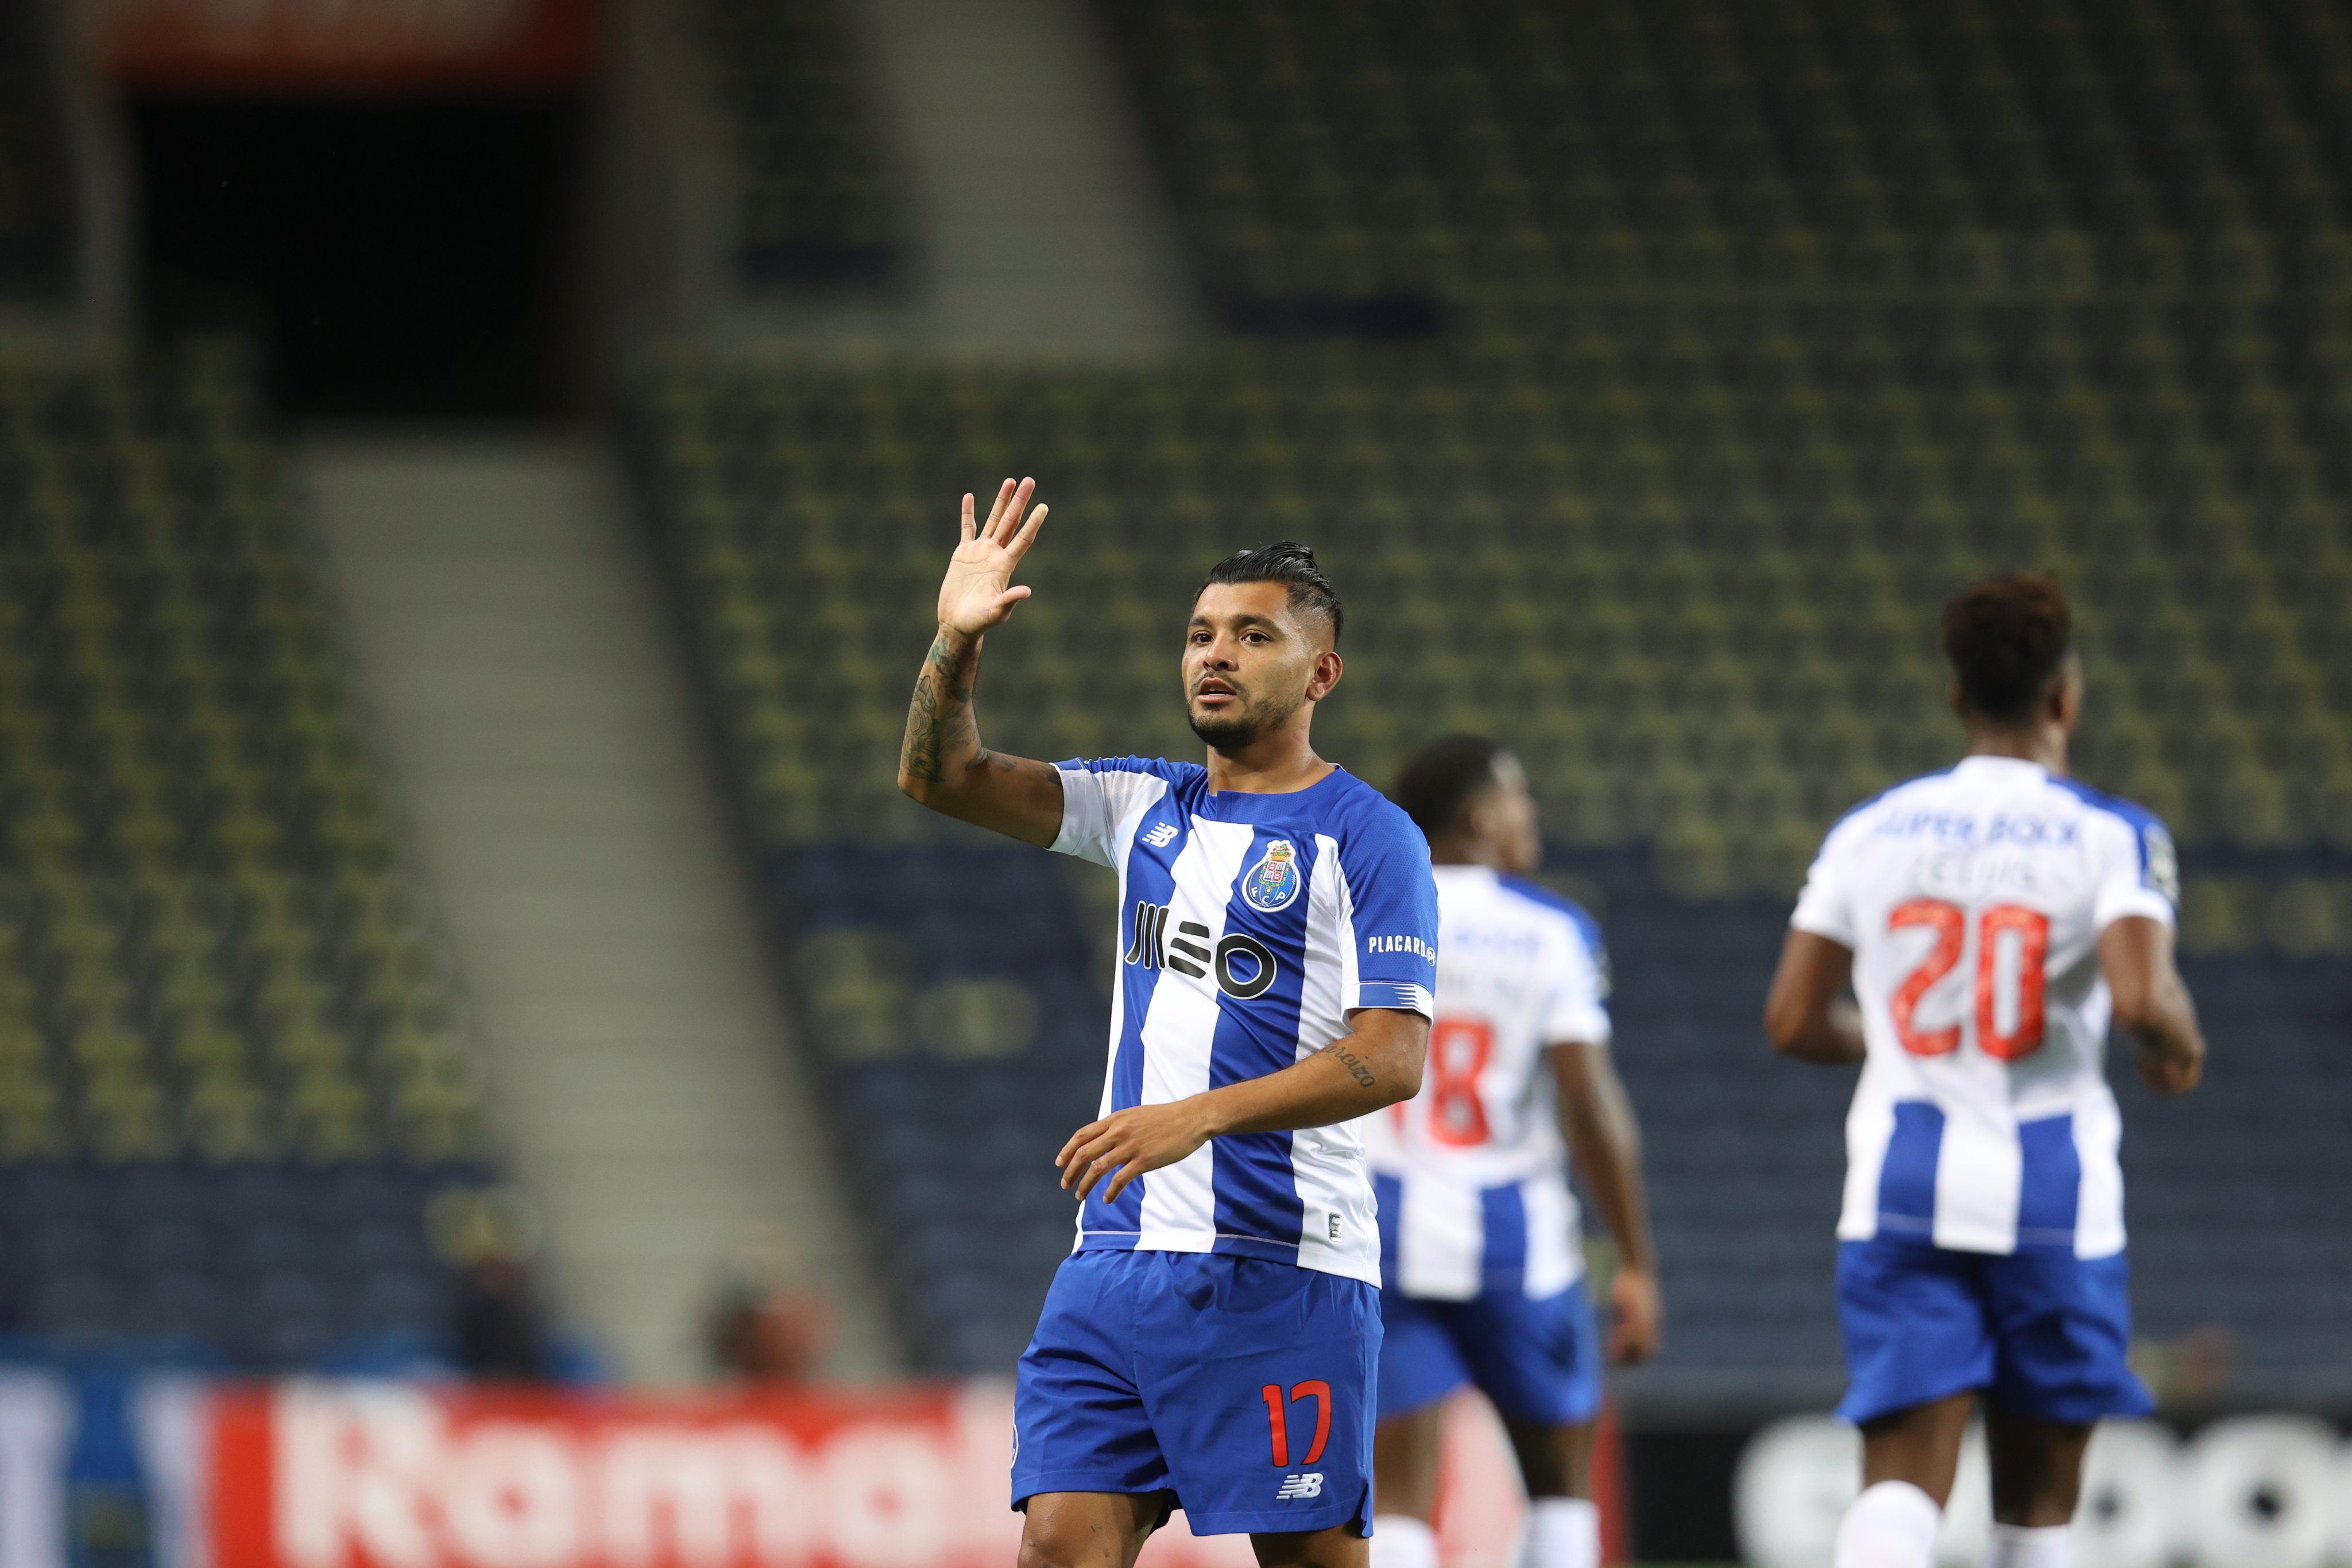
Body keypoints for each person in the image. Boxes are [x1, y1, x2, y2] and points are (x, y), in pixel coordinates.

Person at [897, 479, 1438, 1568]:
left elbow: (1391, 1058)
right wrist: (954, 643)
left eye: (1251, 635)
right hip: (1118, 1262)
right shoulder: (1143, 806)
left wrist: (1198, 1116)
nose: (1215, 655)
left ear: (1321, 671)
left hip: (1284, 1267)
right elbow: (938, 776)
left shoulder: (1370, 839)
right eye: (1199, 635)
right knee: (1058, 1545)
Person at [1763, 572, 2206, 1568]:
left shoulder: (1871, 830)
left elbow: (1792, 1019)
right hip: (2052, 1194)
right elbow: (2143, 1000)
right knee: (2036, 1510)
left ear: (1959, 698)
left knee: (1899, 1487)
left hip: (1903, 1186)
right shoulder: (2113, 835)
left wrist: (1892, 1033)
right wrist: (2179, 1045)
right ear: (2066, 697)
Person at [1363, 735, 1661, 1568]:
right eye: (1521, 799)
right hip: (1519, 1240)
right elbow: (1590, 1103)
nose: (1533, 817)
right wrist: (1635, 1259)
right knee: (1561, 1485)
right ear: (1481, 818)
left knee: (1397, 1495)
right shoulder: (1550, 930)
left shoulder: (1369, 913)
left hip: (1387, 1229)